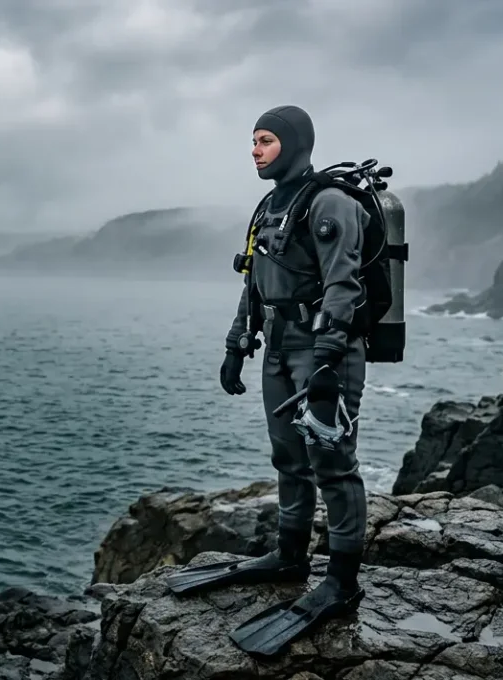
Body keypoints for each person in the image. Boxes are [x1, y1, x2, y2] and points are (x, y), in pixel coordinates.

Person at [164, 105, 370, 656]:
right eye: (253, 141)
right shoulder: (268, 206)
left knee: (334, 462)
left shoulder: (330, 202)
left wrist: (327, 360)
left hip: (321, 349)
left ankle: (343, 582)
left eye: (266, 140)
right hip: (277, 347)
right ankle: (290, 554)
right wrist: (237, 344)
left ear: (295, 143)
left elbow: (344, 285)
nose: (255, 150)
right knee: (288, 457)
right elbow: (253, 280)